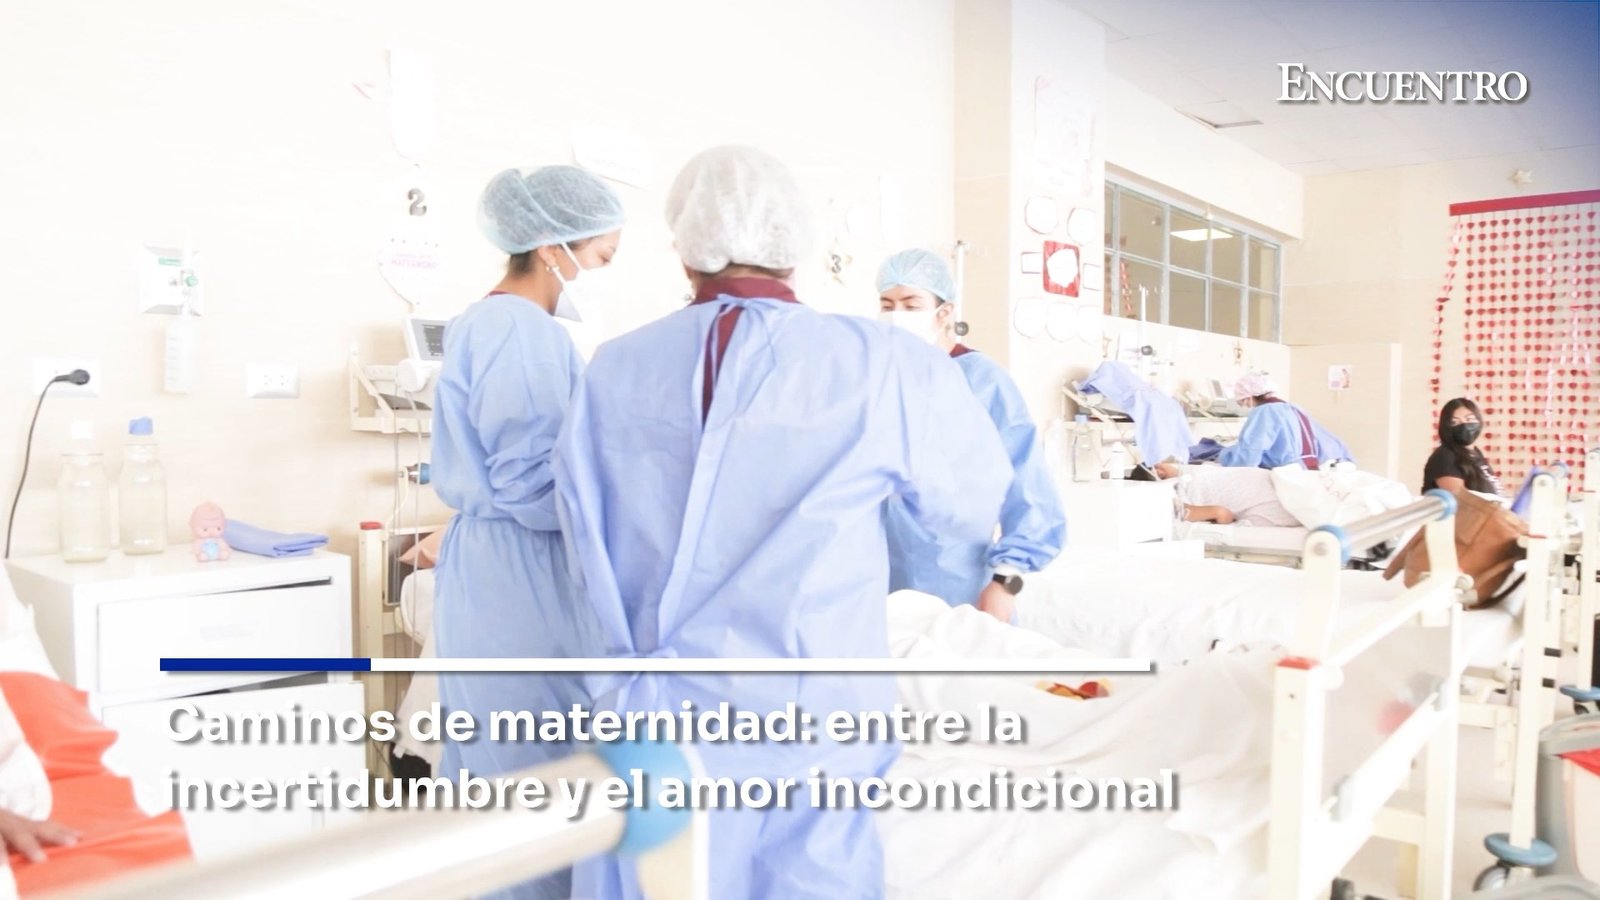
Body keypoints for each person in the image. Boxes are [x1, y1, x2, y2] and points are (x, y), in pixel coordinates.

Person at [554, 146, 1010, 899]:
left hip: (654, 709)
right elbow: (965, 507)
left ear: (684, 249)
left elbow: (579, 530)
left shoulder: (614, 366)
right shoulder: (883, 364)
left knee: (658, 879)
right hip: (810, 704)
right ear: (793, 244)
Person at [429, 165, 625, 900]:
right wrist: (623, 511)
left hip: (497, 566)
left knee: (496, 769)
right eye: (600, 256)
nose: (600, 274)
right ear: (551, 247)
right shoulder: (519, 329)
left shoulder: (487, 322)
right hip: (522, 572)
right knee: (535, 774)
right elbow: (532, 482)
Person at [876, 248, 1065, 620]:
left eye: (911, 305)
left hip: (958, 578)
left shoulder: (982, 381)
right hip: (880, 577)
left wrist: (1006, 582)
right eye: (886, 305)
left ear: (944, 312)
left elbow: (1029, 488)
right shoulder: (881, 378)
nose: (896, 315)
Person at [1218, 371, 1352, 469]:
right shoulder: (1294, 408)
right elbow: (1324, 439)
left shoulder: (1265, 411)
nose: (1245, 406)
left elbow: (1250, 453)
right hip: (1312, 467)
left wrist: (1225, 458)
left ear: (1249, 397)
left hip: (1288, 472)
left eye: (1242, 402)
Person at [1152, 462, 1300, 527]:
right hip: (1189, 483)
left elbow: (1222, 514)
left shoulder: (1279, 510)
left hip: (1189, 492)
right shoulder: (1282, 479)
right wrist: (1179, 473)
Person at [1423, 397, 1503, 495]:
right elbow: (1460, 497)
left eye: (1469, 419)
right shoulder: (1444, 456)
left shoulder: (1475, 453)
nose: (1464, 425)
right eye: (1455, 422)